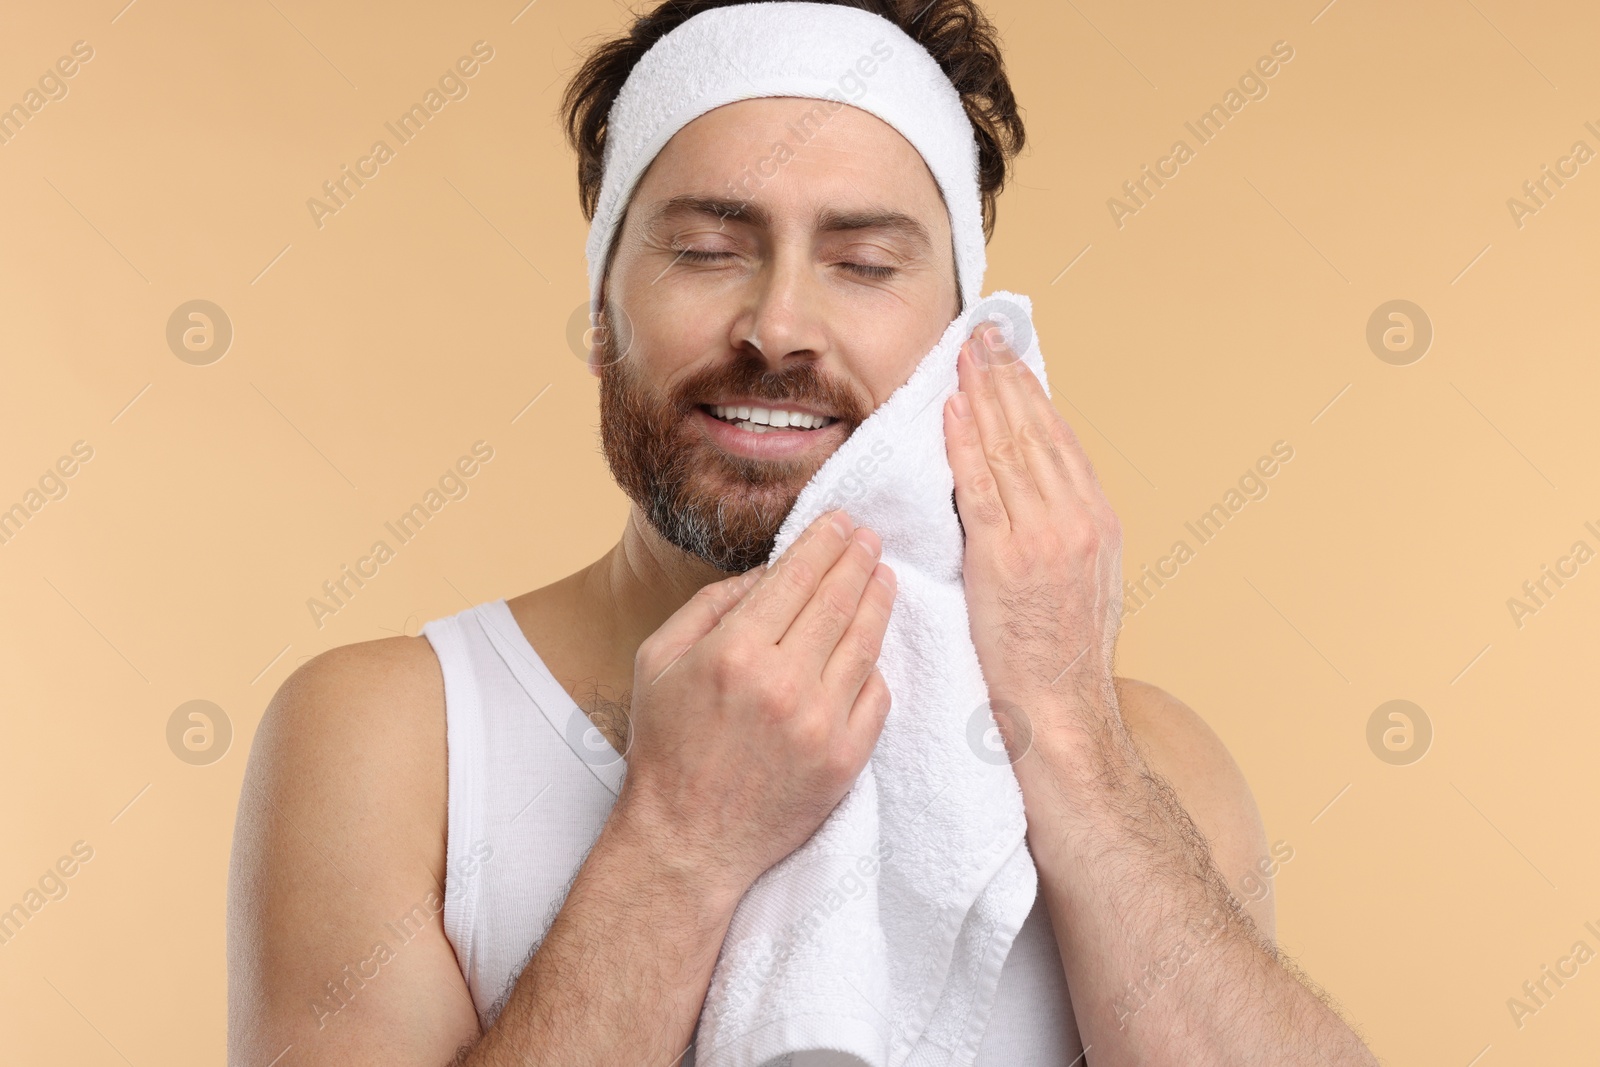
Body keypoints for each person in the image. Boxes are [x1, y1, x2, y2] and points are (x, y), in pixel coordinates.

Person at [227, 2, 1378, 1064]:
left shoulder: (1150, 760)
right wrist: (676, 840)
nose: (779, 327)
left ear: (956, 348)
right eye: (709, 249)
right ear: (600, 313)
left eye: (864, 264)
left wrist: (1067, 736)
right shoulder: (394, 738)